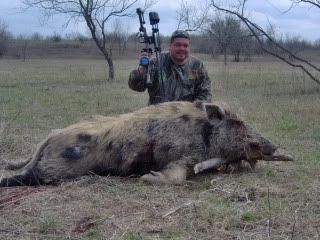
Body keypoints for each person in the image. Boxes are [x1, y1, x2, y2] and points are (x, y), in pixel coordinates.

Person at [128, 30, 212, 105]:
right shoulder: (156, 62)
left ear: (189, 47)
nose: (182, 48)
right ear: (170, 46)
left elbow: (205, 95)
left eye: (185, 46)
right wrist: (142, 68)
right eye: (178, 45)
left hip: (187, 117)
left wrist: (192, 111)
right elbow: (137, 87)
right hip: (157, 115)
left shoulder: (197, 66)